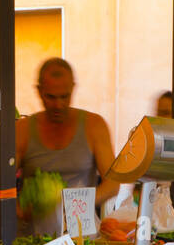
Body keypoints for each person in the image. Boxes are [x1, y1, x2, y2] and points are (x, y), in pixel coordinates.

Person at [16, 58, 117, 234]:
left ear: (73, 89)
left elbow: (113, 184)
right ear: (39, 91)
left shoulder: (94, 126)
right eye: (51, 97)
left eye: (65, 96)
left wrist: (73, 202)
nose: (58, 105)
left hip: (81, 236)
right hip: (34, 239)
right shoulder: (22, 130)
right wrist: (18, 209)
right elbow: (0, 187)